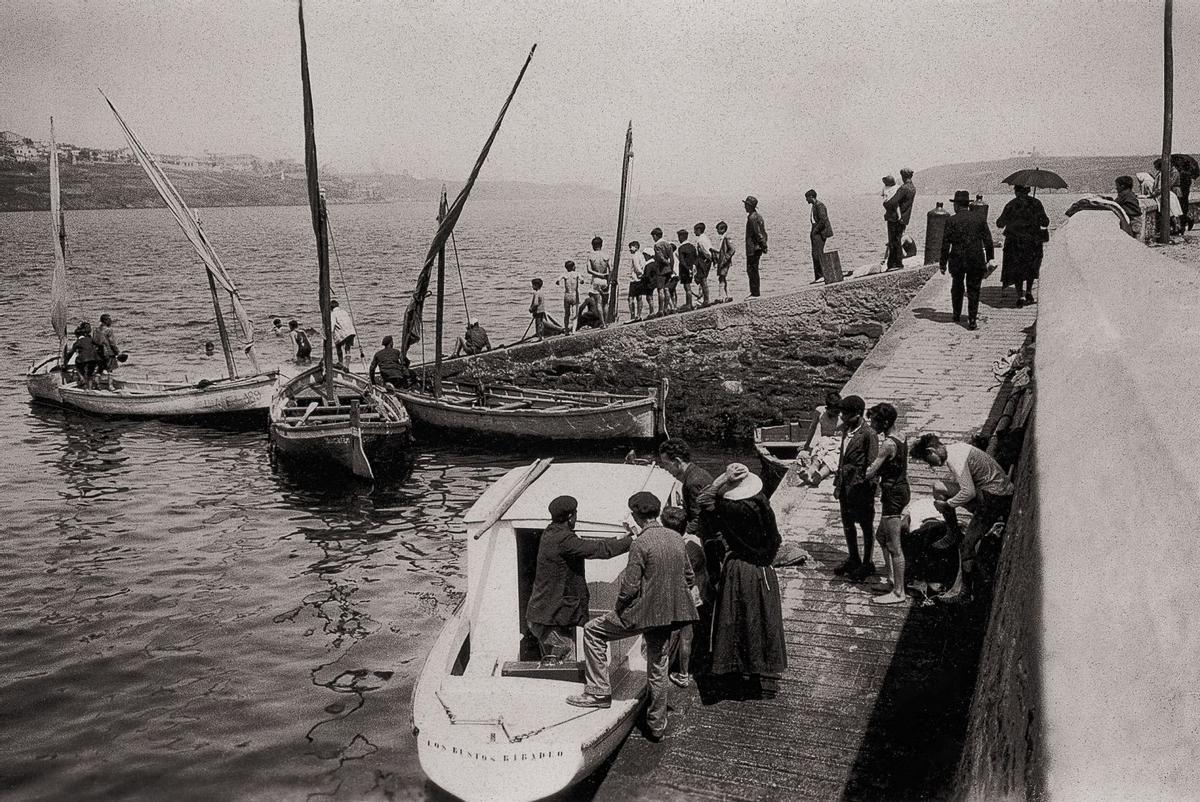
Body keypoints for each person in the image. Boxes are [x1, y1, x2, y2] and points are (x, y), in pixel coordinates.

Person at [568, 491, 698, 745]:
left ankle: (598, 691)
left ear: (637, 515)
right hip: (668, 615)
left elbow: (629, 587)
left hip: (641, 613)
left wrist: (618, 609)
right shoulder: (675, 538)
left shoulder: (640, 543)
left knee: (594, 630)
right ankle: (657, 725)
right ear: (657, 513)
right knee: (658, 666)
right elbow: (689, 577)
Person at [698, 463, 786, 697]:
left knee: (735, 619)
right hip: (764, 570)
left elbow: (703, 500)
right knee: (761, 620)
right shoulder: (763, 506)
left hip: (739, 568)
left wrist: (719, 481)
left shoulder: (727, 508)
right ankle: (758, 670)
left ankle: (736, 669)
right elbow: (776, 539)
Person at [527, 495, 632, 664]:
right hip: (549, 620)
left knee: (558, 661)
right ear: (570, 517)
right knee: (565, 662)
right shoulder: (564, 539)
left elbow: (586, 544)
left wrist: (621, 539)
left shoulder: (552, 532)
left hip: (545, 616)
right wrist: (632, 541)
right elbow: (599, 550)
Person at [910, 433, 1014, 592]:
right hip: (995, 491)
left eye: (928, 461)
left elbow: (969, 492)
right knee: (938, 486)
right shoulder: (956, 449)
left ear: (931, 451)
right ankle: (953, 532)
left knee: (966, 547)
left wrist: (948, 505)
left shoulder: (955, 459)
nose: (931, 466)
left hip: (995, 498)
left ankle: (966, 591)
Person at [864, 403, 909, 604]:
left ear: (885, 422)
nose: (872, 424)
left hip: (893, 495)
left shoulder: (888, 444)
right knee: (881, 536)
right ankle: (892, 580)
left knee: (894, 545)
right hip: (900, 488)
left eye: (874, 420)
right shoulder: (902, 436)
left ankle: (899, 592)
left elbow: (870, 472)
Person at [833, 395, 877, 581]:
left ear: (858, 414)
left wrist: (870, 489)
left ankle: (867, 563)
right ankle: (854, 557)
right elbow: (843, 457)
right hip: (845, 485)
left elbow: (872, 463)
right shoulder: (846, 430)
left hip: (860, 487)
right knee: (847, 523)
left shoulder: (868, 434)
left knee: (866, 525)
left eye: (846, 413)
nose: (842, 416)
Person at [662, 506, 706, 687]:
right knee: (689, 637)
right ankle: (686, 672)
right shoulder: (694, 542)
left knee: (679, 635)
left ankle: (678, 672)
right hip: (699, 594)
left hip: (684, 598)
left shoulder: (676, 549)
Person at [940, 190, 996, 331]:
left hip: (957, 259)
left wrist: (942, 264)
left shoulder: (951, 221)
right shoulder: (979, 219)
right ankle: (972, 320)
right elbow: (988, 241)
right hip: (975, 258)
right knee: (974, 289)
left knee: (957, 287)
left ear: (957, 205)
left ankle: (956, 314)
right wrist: (990, 259)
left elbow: (946, 244)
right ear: (968, 204)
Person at [995, 185, 1049, 307]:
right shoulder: (1036, 203)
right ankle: (1029, 291)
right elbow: (1045, 222)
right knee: (1030, 268)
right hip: (1033, 243)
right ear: (1028, 191)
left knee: (1017, 269)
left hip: (1015, 243)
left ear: (1016, 191)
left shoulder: (1010, 205)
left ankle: (1020, 295)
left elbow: (1000, 223)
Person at [796, 390, 844, 486]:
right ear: (827, 408)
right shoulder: (820, 411)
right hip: (823, 441)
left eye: (837, 410)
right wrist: (806, 445)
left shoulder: (843, 416)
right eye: (833, 411)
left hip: (836, 444)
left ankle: (819, 476)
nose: (836, 413)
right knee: (816, 459)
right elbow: (812, 428)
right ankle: (808, 474)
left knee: (829, 461)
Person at [883, 168, 916, 271]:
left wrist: (885, 203)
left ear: (903, 176)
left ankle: (896, 264)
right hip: (904, 218)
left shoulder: (904, 188)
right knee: (897, 239)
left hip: (895, 219)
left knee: (894, 241)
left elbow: (893, 202)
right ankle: (895, 263)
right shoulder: (913, 188)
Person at [743, 196, 768, 298]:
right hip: (756, 247)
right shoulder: (758, 216)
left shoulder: (752, 217)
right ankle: (755, 291)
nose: (744, 207)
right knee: (753, 269)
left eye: (746, 205)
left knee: (751, 269)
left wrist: (763, 245)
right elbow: (763, 232)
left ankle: (755, 292)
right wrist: (764, 244)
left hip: (753, 248)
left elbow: (758, 233)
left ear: (750, 206)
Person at [64, 322, 100, 389]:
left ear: (77, 336)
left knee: (78, 366)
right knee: (90, 374)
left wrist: (65, 362)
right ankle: (89, 389)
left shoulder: (77, 342)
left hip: (83, 360)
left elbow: (70, 353)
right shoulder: (90, 339)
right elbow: (98, 344)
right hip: (94, 359)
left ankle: (82, 378)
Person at [806, 189, 832, 283]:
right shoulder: (815, 205)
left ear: (811, 197)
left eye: (807, 198)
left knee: (818, 254)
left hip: (820, 233)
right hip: (816, 231)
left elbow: (823, 220)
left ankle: (821, 276)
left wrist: (815, 231)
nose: (806, 200)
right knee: (815, 254)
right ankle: (819, 276)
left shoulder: (819, 205)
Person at [586, 236, 611, 323]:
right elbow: (611, 269)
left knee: (598, 303)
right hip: (604, 280)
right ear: (601, 245)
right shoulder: (606, 255)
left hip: (596, 280)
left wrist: (599, 274)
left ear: (593, 245)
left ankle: (602, 323)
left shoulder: (591, 256)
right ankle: (607, 322)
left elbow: (589, 270)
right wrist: (608, 280)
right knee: (605, 303)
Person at [92, 313, 120, 389]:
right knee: (110, 370)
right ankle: (110, 386)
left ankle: (96, 385)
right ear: (105, 321)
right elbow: (112, 343)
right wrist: (117, 352)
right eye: (109, 320)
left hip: (99, 352)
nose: (111, 321)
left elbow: (94, 341)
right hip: (109, 353)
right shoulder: (109, 330)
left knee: (99, 369)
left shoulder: (95, 330)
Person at [651, 228, 675, 315]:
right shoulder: (668, 244)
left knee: (660, 290)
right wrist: (671, 268)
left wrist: (665, 262)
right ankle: (666, 308)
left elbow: (660, 257)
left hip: (661, 269)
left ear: (655, 236)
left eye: (653, 236)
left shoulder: (657, 245)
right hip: (668, 270)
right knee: (667, 289)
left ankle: (661, 310)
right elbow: (672, 258)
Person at [675, 229, 698, 311]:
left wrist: (686, 269)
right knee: (689, 287)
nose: (678, 239)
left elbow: (682, 261)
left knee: (687, 287)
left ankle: (689, 304)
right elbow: (696, 258)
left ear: (682, 237)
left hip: (685, 270)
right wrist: (692, 268)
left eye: (679, 237)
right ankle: (690, 303)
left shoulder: (681, 248)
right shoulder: (692, 247)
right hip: (692, 268)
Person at [556, 260, 582, 333]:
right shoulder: (576, 274)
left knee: (567, 314)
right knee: (575, 314)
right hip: (574, 295)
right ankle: (573, 331)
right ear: (573, 267)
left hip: (567, 295)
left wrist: (558, 282)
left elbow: (558, 280)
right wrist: (581, 281)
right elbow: (582, 280)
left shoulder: (564, 274)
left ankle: (566, 330)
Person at [692, 222, 714, 306]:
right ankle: (704, 298)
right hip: (705, 261)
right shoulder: (706, 238)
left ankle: (706, 300)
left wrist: (707, 260)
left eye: (695, 230)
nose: (694, 232)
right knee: (703, 280)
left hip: (703, 261)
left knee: (703, 280)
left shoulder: (701, 240)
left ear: (699, 230)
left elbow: (706, 252)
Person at [714, 220, 735, 303]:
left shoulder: (727, 238)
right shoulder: (723, 238)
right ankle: (727, 295)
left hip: (725, 262)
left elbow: (732, 249)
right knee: (723, 277)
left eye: (718, 229)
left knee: (721, 278)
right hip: (723, 261)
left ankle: (721, 296)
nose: (717, 231)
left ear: (723, 229)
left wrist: (725, 259)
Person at [626, 240, 647, 321]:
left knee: (630, 298)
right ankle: (639, 315)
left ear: (636, 247)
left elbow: (637, 268)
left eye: (631, 247)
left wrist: (640, 274)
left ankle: (633, 315)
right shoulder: (641, 255)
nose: (630, 249)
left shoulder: (635, 256)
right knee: (639, 298)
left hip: (635, 280)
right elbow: (643, 266)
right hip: (640, 280)